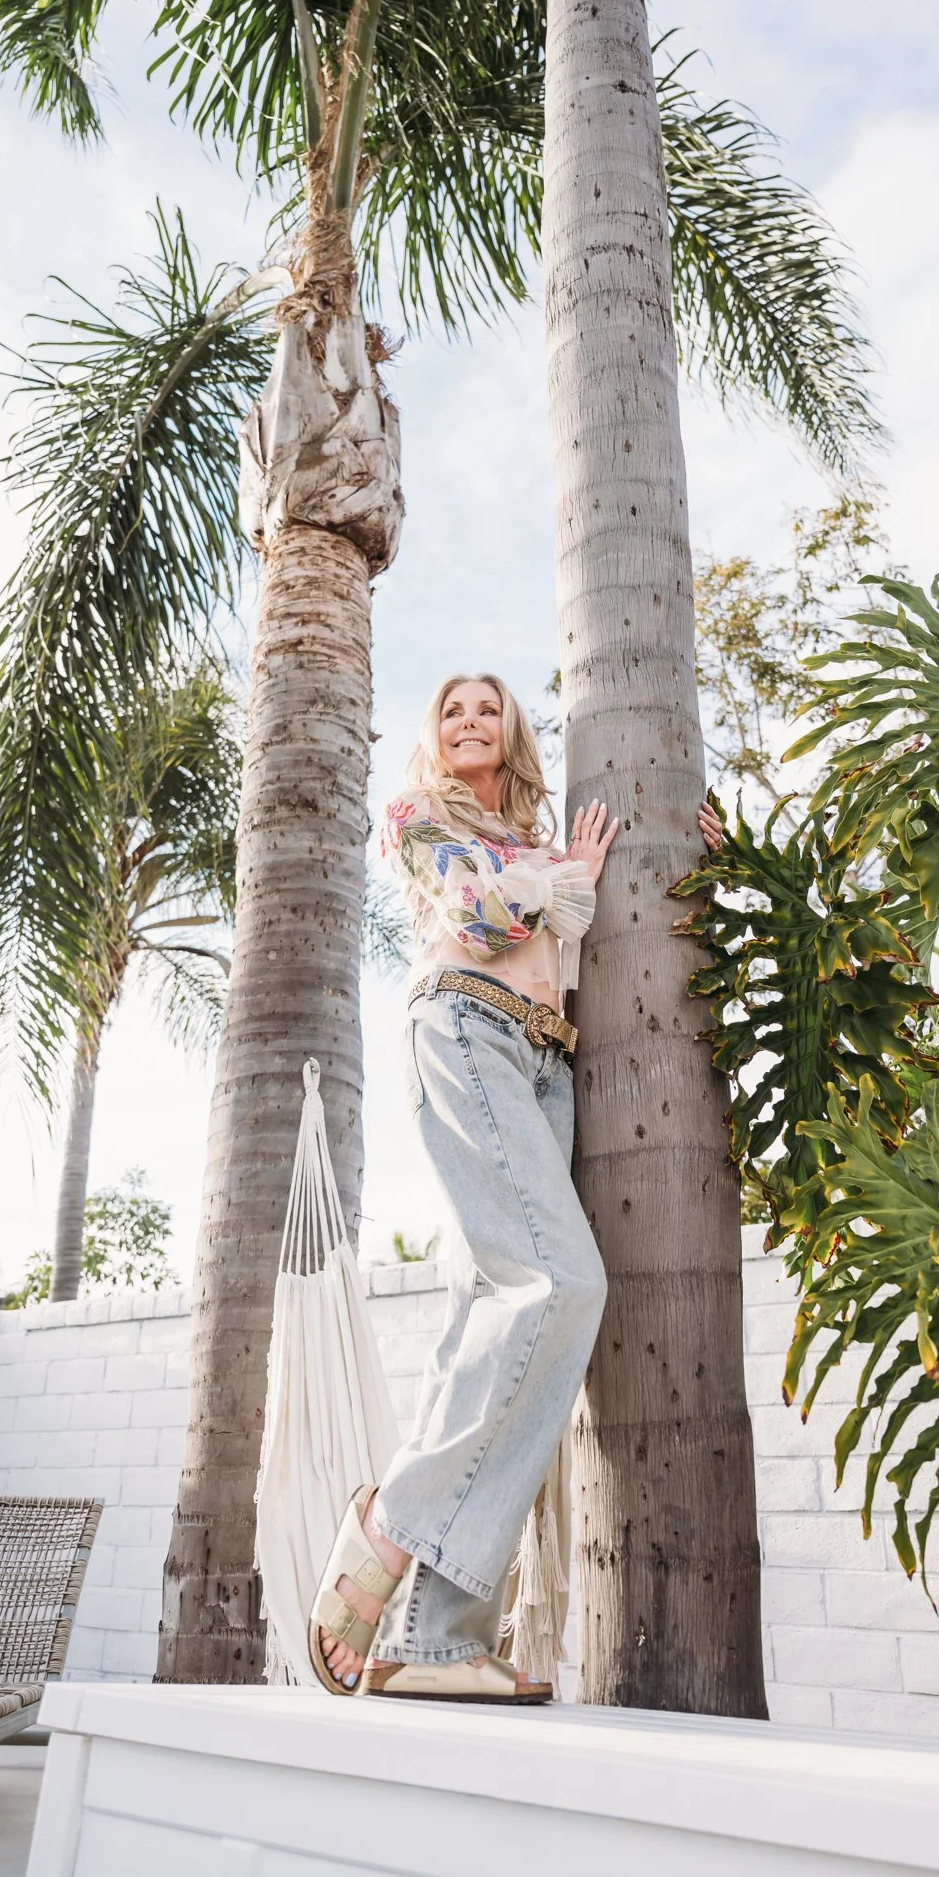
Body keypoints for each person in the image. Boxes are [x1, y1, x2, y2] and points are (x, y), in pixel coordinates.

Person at [307, 673, 716, 1702]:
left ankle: (436, 1642)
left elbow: (584, 945)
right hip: (467, 1028)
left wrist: (690, 862)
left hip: (546, 1063)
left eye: (488, 708)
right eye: (450, 709)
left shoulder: (542, 839)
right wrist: (557, 881)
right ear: (434, 738)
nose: (470, 720)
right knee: (560, 1284)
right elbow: (478, 918)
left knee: (484, 1320)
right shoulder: (415, 816)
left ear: (512, 730)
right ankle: (393, 1522)